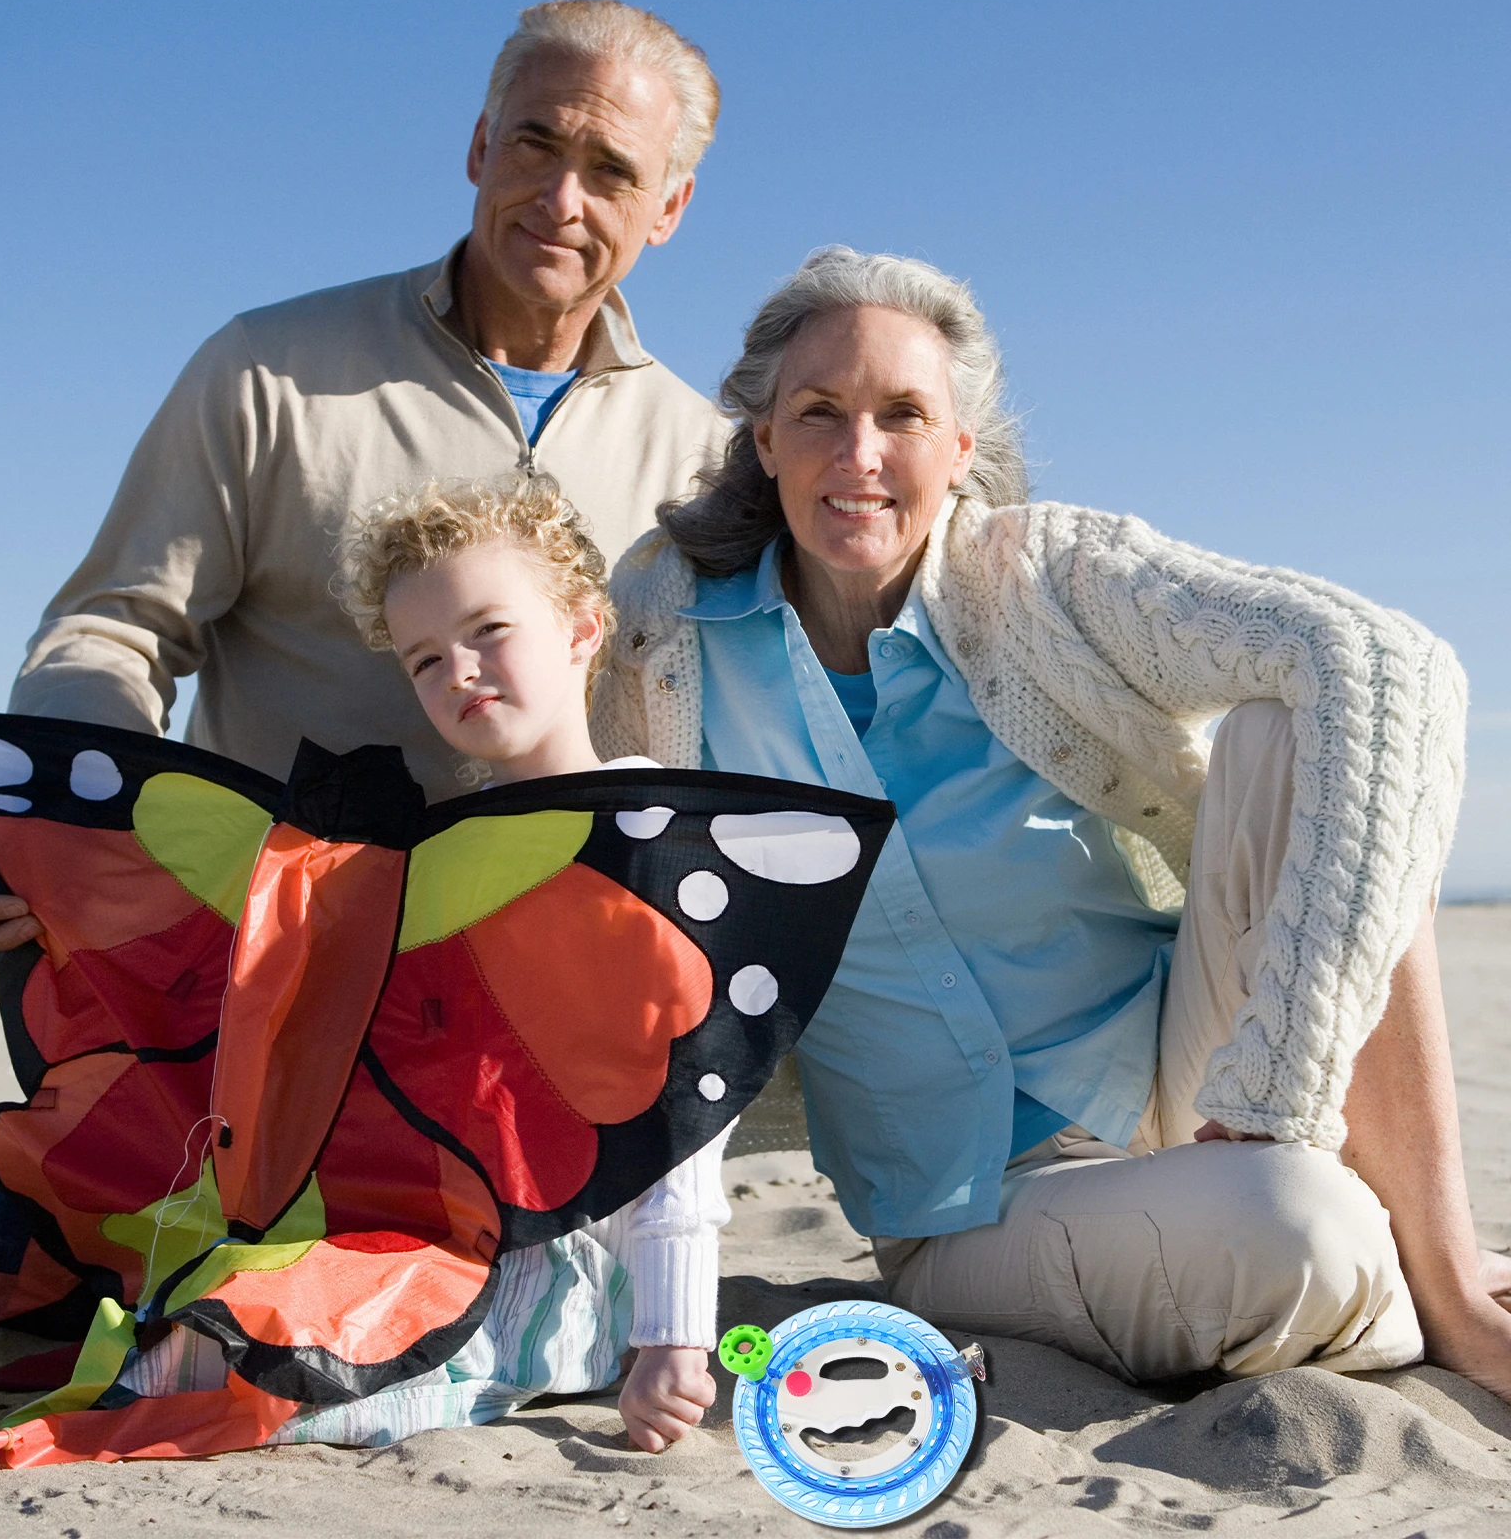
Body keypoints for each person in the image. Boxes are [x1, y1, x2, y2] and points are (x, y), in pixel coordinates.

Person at [594, 245, 1511, 1402]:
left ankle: (1442, 1271)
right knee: (1307, 1234)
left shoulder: (1039, 580)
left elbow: (1385, 664)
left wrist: (1274, 1089)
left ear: (959, 448)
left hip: (1195, 1090)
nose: (860, 453)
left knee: (1294, 732)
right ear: (765, 438)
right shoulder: (661, 643)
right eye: (819, 410)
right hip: (974, 1207)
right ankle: (1386, 1249)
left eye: (903, 414)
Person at [0, 0, 728, 951]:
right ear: (480, 146)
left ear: (669, 208)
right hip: (260, 953)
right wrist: (59, 820)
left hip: (547, 983)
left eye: (612, 170)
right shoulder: (266, 371)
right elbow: (113, 632)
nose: (562, 199)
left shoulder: (706, 461)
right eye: (536, 143)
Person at [113, 475, 729, 1452]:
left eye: (490, 631)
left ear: (581, 628)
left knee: (289, 1375)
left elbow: (687, 1112)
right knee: (203, 1327)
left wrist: (673, 1336)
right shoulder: (447, 852)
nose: (460, 672)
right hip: (442, 1226)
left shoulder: (651, 831)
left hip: (579, 1259)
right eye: (426, 659)